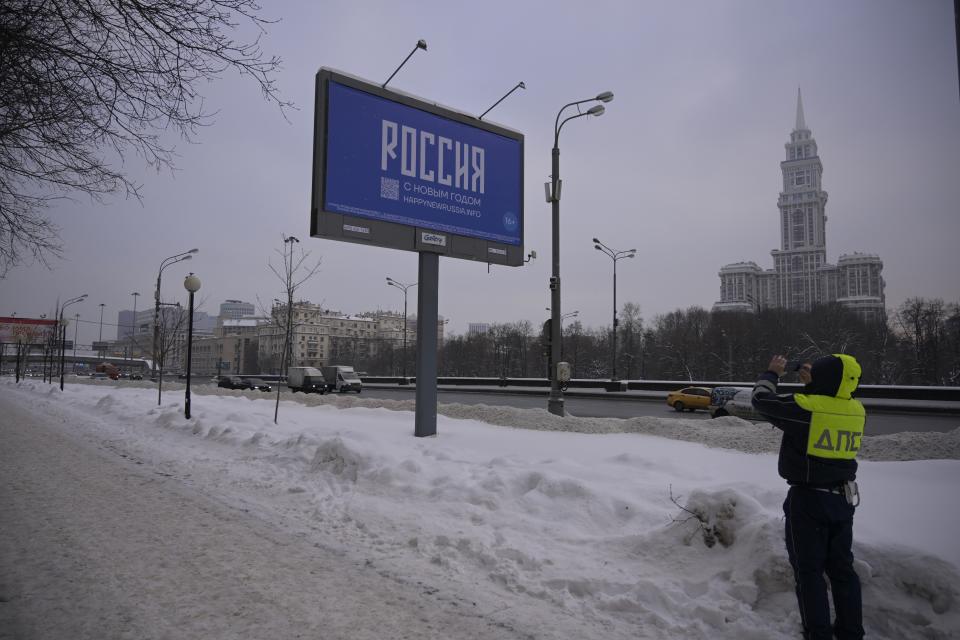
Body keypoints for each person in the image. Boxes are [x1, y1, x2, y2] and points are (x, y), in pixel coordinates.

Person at [751, 353, 866, 640]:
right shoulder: (856, 410)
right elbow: (827, 406)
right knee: (842, 570)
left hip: (809, 501)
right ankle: (851, 633)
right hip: (843, 499)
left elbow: (761, 402)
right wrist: (815, 384)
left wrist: (772, 374)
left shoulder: (807, 408)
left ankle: (818, 634)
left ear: (824, 378)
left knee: (809, 572)